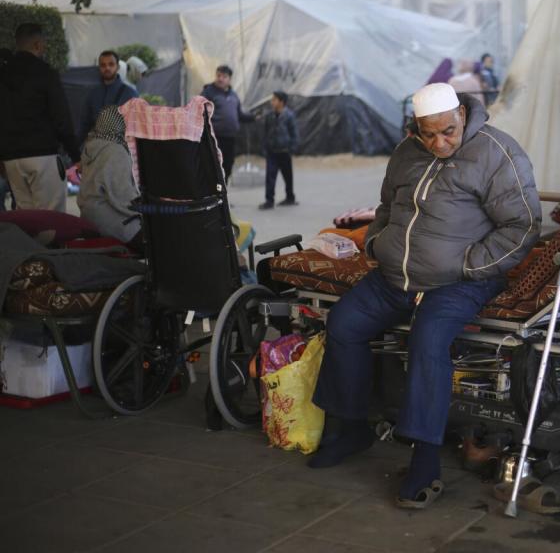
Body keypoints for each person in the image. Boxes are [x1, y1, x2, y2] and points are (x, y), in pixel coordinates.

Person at [308, 83, 541, 509]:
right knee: (343, 324)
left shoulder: (496, 153)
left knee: (428, 341)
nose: (439, 143)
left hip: (461, 281)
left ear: (463, 117)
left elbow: (523, 226)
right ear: (416, 128)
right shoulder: (406, 151)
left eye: (448, 131)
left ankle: (425, 459)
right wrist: (377, 243)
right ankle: (351, 426)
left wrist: (469, 266)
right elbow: (385, 206)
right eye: (428, 134)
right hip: (396, 275)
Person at [0, 23, 80, 212]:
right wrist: (76, 156)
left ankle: (27, 244)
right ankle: (48, 244)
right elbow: (61, 118)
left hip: (11, 160)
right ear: (37, 45)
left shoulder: (3, 75)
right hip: (42, 155)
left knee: (25, 218)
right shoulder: (45, 73)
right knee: (51, 220)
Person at [76, 106, 142, 249]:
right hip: (111, 222)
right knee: (160, 237)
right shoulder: (115, 151)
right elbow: (123, 198)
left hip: (90, 218)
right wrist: (144, 210)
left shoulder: (92, 146)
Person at [201, 65, 254, 182]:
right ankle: (212, 197)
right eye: (218, 75)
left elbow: (240, 115)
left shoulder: (233, 95)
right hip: (214, 137)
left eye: (224, 76)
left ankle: (222, 196)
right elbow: (200, 111)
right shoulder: (208, 92)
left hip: (230, 137)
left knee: (228, 166)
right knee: (214, 167)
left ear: (229, 79)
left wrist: (253, 117)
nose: (220, 79)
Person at [79, 50, 139, 142]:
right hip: (97, 150)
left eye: (111, 64)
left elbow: (137, 127)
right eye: (103, 65)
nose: (107, 68)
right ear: (99, 68)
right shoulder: (93, 94)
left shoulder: (130, 94)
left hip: (122, 151)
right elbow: (84, 125)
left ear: (117, 67)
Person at [259, 91, 299, 210]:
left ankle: (290, 197)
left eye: (274, 100)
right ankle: (269, 200)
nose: (272, 102)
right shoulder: (269, 116)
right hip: (272, 152)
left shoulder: (289, 116)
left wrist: (291, 149)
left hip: (284, 151)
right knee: (270, 176)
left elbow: (294, 134)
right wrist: (265, 148)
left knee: (288, 176)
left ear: (281, 102)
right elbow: (265, 133)